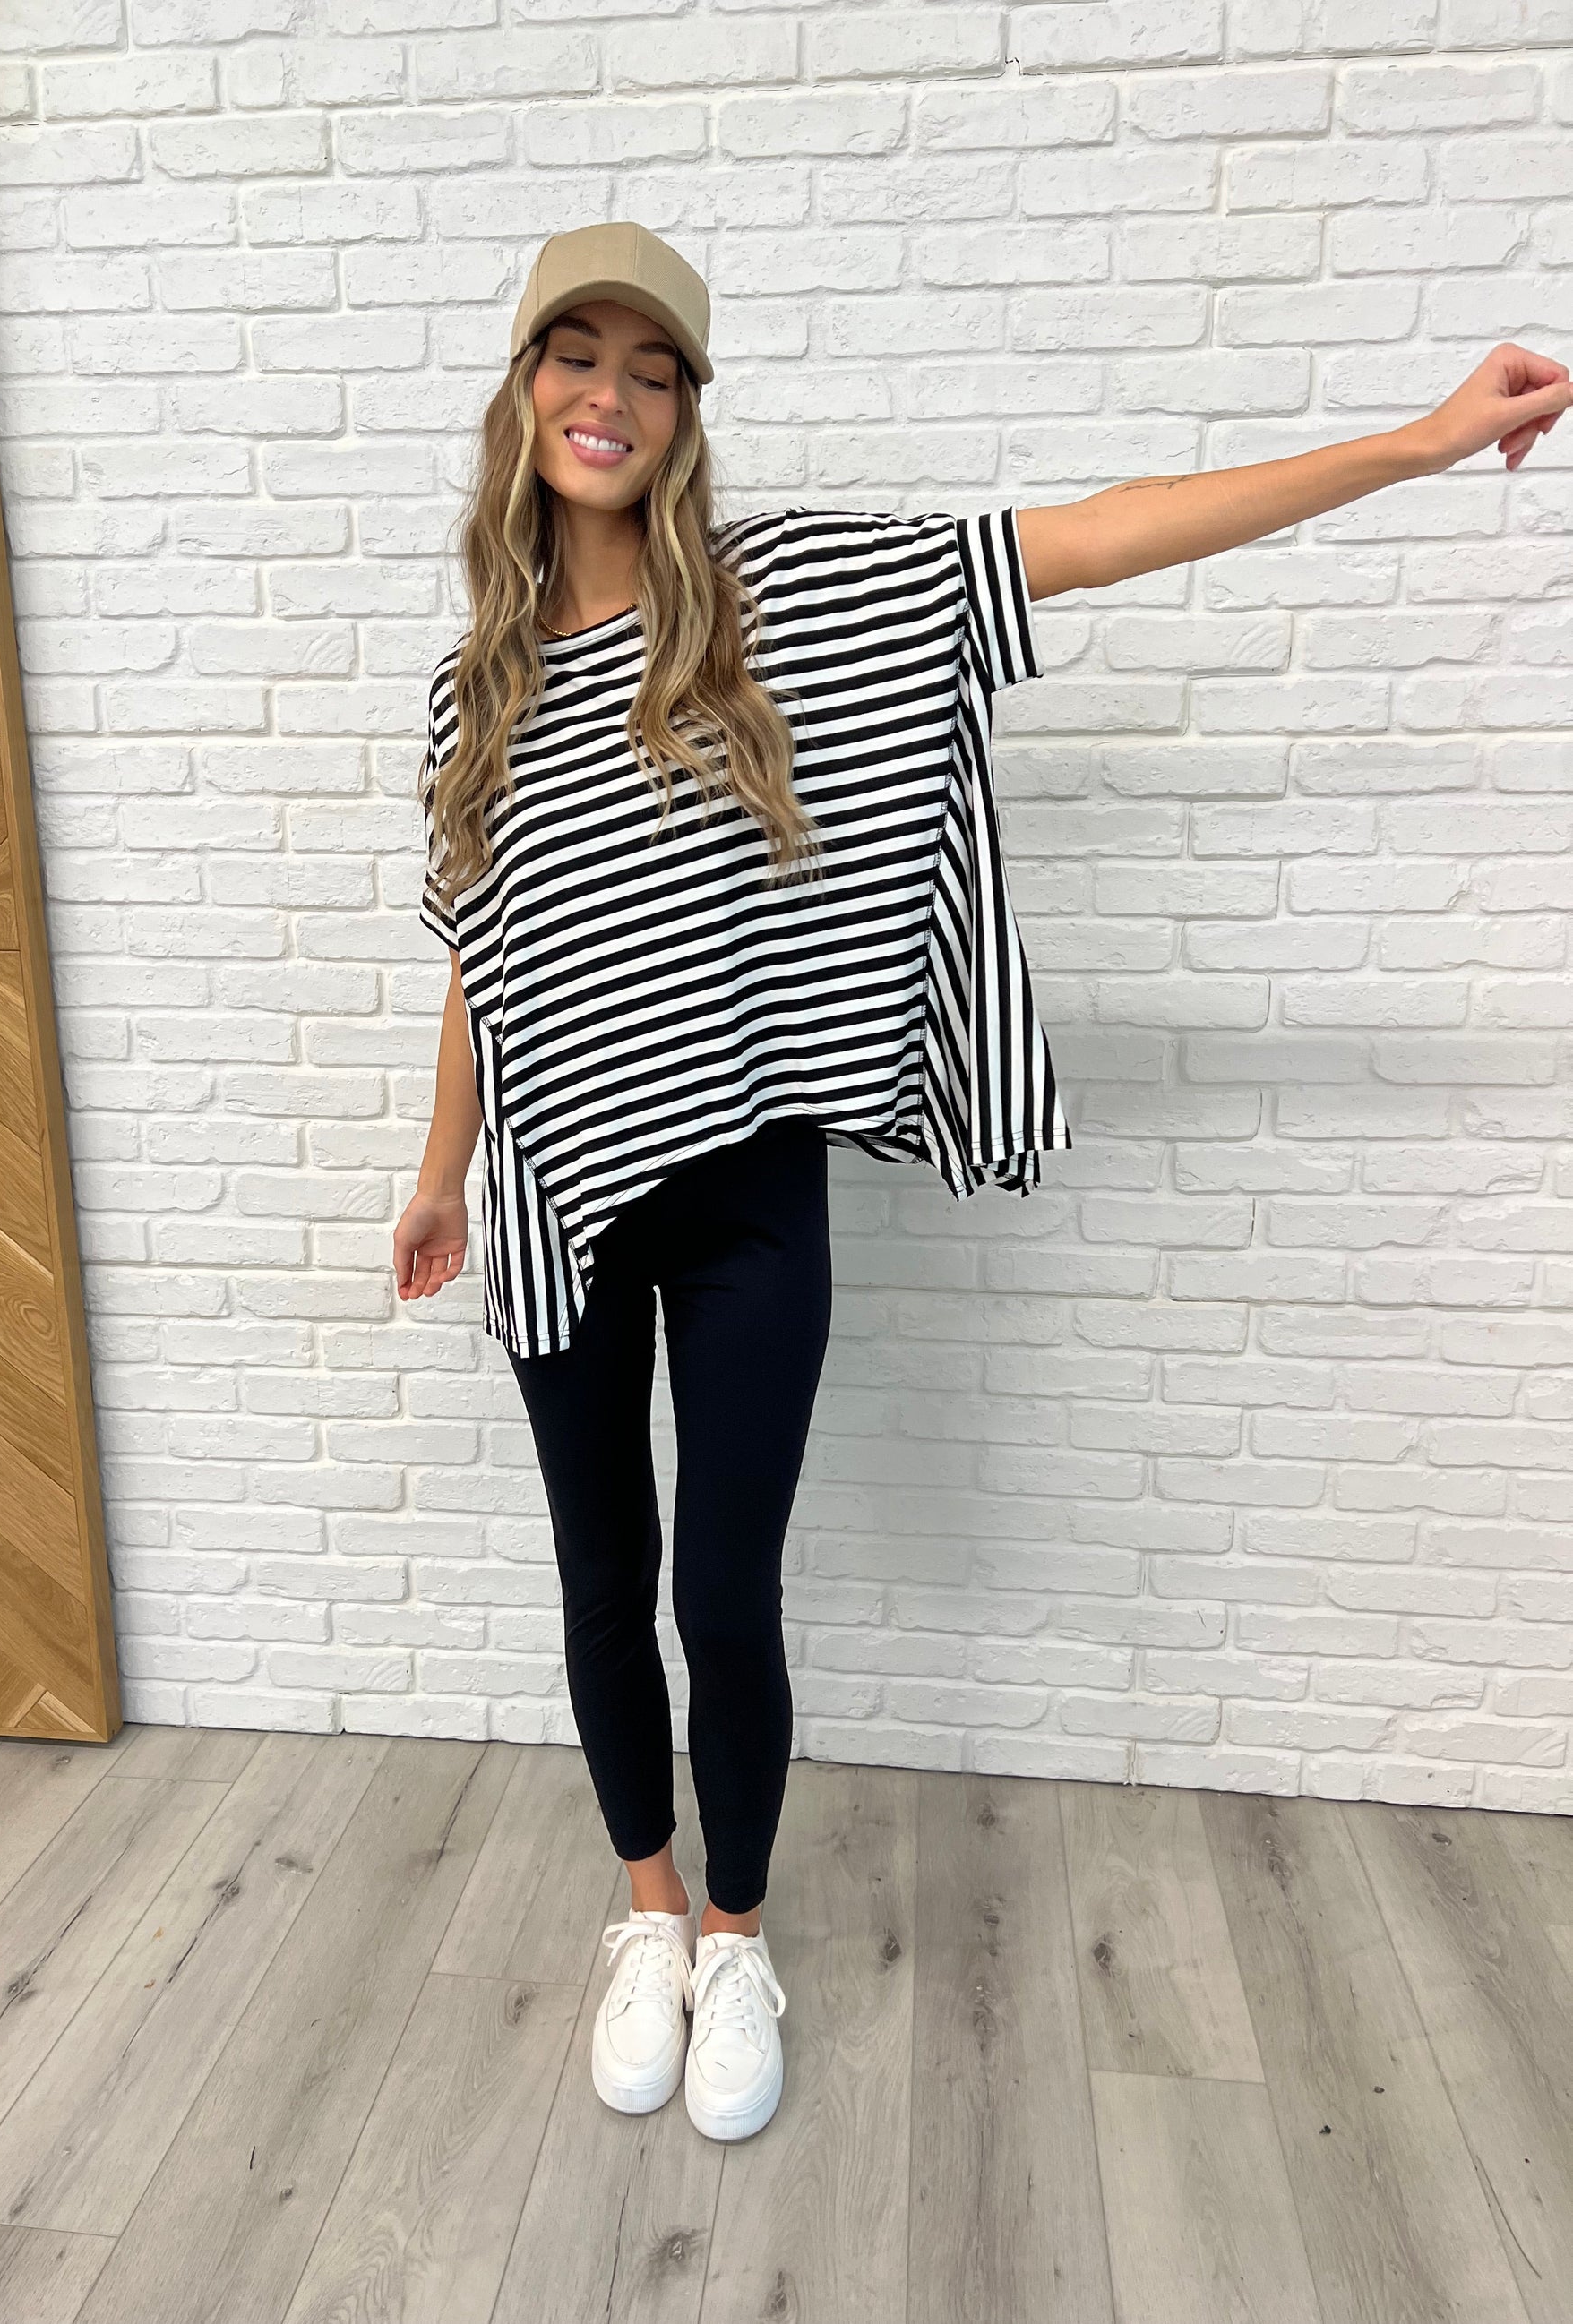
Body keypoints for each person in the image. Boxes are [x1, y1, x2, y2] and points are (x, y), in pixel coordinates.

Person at [392, 220, 1568, 2143]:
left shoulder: (784, 594)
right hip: (546, 1199)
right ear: (523, 391)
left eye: (651, 367)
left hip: (748, 1186)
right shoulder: (471, 692)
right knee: (601, 1578)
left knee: (722, 1584)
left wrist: (1416, 443)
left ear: (685, 413)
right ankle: (647, 1915)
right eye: (573, 355)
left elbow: (1087, 539)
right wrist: (439, 1169)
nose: (608, 394)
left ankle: (738, 1934)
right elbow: (476, 948)